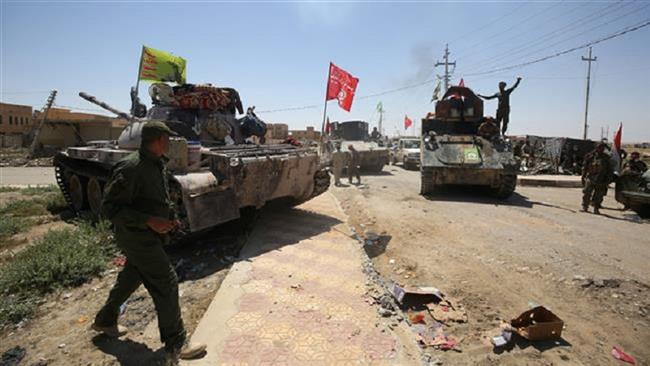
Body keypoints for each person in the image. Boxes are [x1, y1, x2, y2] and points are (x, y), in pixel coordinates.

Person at [92, 121, 206, 363]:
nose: (171, 143)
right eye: (167, 138)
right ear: (158, 140)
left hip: (147, 234)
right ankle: (176, 342)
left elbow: (159, 197)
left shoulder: (156, 163)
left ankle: (105, 320)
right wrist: (148, 221)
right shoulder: (131, 168)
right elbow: (109, 209)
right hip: (136, 235)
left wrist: (171, 219)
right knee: (166, 281)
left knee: (131, 277)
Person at [581, 142, 612, 214]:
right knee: (587, 193)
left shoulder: (606, 158)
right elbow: (585, 167)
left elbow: (610, 170)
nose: (601, 149)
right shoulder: (590, 156)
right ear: (596, 148)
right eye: (599, 147)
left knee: (599, 195)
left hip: (601, 179)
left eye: (602, 148)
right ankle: (585, 206)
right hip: (590, 178)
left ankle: (596, 208)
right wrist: (583, 176)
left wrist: (608, 180)